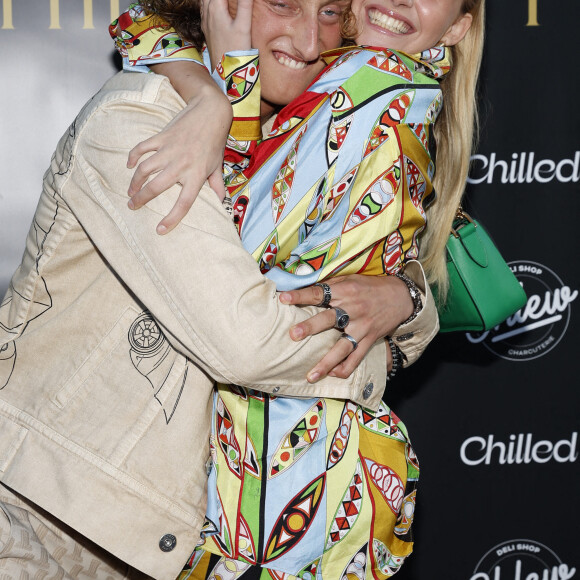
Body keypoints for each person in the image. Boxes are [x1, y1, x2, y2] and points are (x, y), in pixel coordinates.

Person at [0, 4, 441, 580]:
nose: (310, 41)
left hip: (148, 538)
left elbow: (344, 273)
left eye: (330, 11)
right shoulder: (141, 123)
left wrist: (405, 300)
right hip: (40, 524)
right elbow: (248, 340)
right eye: (283, 2)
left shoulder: (297, 139)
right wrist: (377, 355)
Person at [109, 0, 484, 577]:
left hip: (287, 481)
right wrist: (205, 90)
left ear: (458, 27)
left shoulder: (372, 88)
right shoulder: (346, 68)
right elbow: (139, 19)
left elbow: (237, 249)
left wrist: (228, 84)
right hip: (291, 465)